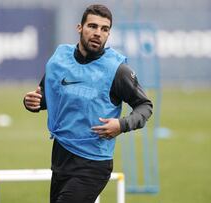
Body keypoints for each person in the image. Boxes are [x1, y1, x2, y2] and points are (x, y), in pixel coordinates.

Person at [23, 4, 153, 203]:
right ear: (79, 27)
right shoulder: (59, 59)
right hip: (61, 155)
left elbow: (145, 105)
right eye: (92, 26)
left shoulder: (118, 70)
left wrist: (122, 125)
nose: (98, 33)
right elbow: (47, 96)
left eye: (104, 29)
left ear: (109, 34)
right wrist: (33, 102)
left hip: (93, 163)